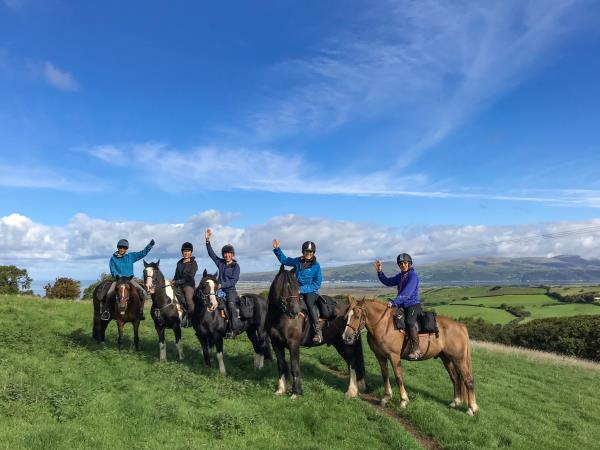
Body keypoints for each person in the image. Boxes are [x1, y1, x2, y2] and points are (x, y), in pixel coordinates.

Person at [272, 239, 323, 343]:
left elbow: (317, 284)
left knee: (309, 303)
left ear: (313, 253)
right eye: (306, 251)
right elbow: (285, 260)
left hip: (311, 291)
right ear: (303, 252)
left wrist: (301, 289)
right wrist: (277, 249)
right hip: (297, 290)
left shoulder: (316, 266)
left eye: (310, 252)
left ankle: (318, 332)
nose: (308, 254)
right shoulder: (298, 261)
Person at [374, 253, 422, 360]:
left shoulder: (412, 276)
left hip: (413, 305)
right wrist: (379, 272)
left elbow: (407, 293)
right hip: (402, 305)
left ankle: (416, 349)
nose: (403, 265)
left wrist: (394, 302)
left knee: (410, 322)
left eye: (405, 263)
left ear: (409, 264)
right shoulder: (400, 276)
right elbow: (388, 281)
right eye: (401, 264)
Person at [105, 238, 155, 320]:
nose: (122, 249)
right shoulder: (113, 259)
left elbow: (142, 253)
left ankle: (140, 312)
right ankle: (107, 312)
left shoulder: (131, 256)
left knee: (142, 292)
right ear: (118, 248)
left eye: (124, 248)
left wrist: (150, 246)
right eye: (120, 247)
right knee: (109, 293)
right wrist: (119, 276)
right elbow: (113, 270)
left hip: (129, 279)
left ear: (126, 249)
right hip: (118, 280)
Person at [204, 229, 241, 338]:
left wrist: (221, 285)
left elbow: (234, 280)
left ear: (232, 254)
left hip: (230, 291)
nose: (227, 255)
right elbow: (212, 254)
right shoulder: (220, 263)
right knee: (209, 302)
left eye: (229, 253)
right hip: (219, 291)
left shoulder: (236, 266)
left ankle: (233, 329)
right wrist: (207, 240)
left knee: (230, 305)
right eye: (225, 253)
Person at [172, 242, 198, 327]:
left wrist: (177, 282)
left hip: (188, 285)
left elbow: (190, 277)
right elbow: (176, 275)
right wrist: (173, 281)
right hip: (178, 284)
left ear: (191, 252)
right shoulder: (179, 263)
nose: (186, 253)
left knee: (189, 299)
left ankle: (190, 318)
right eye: (184, 251)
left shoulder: (193, 263)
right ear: (182, 252)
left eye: (188, 251)